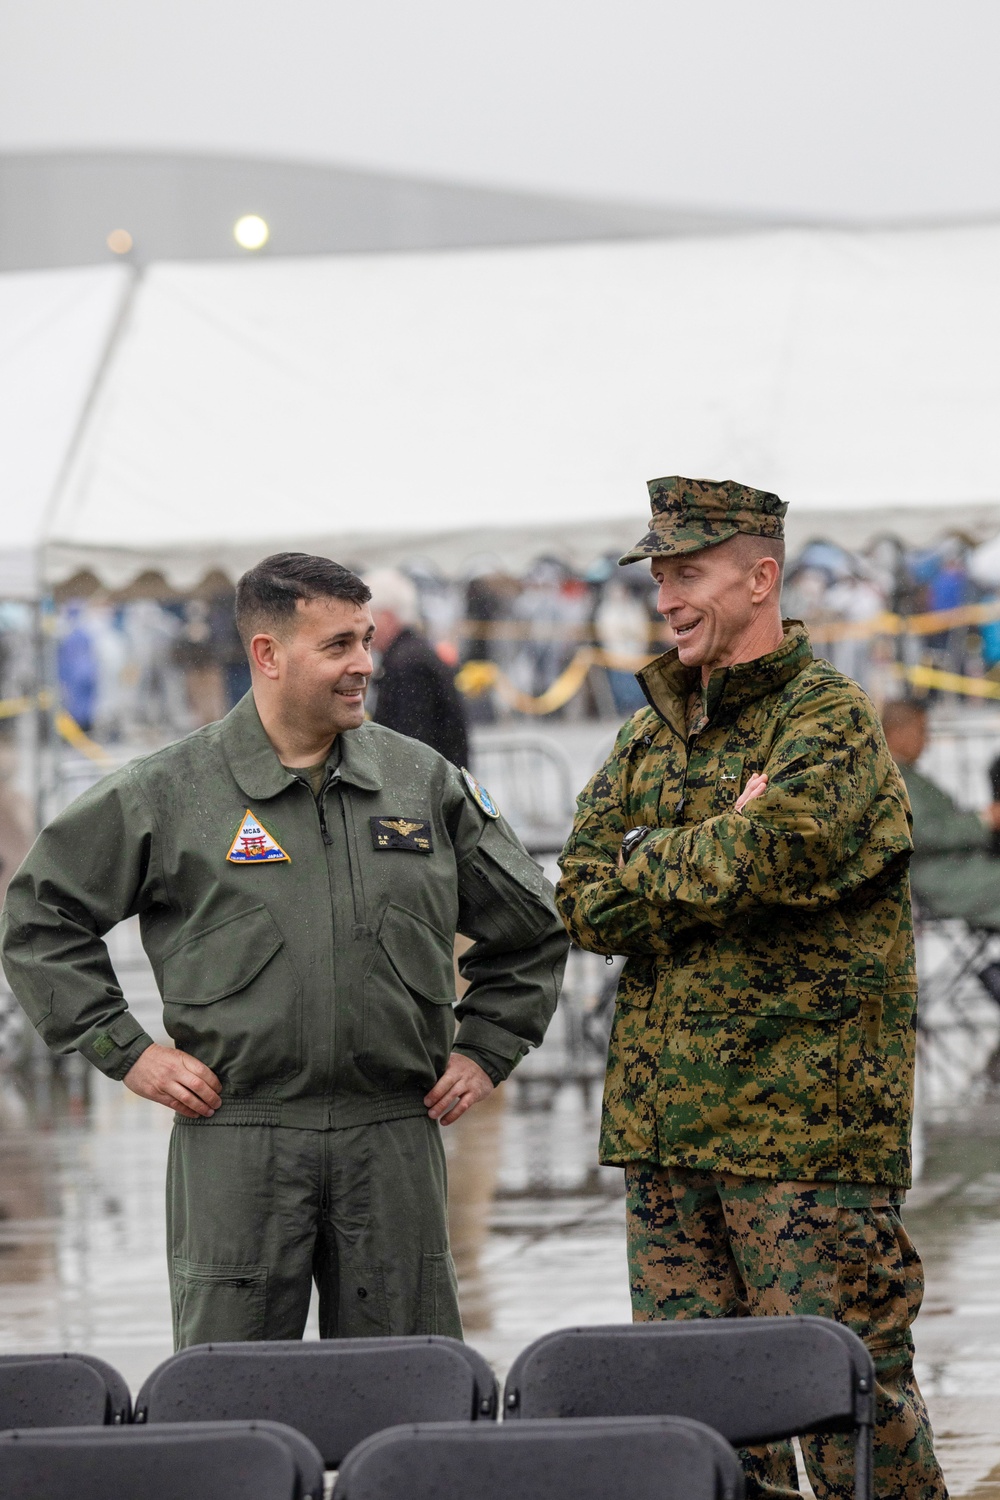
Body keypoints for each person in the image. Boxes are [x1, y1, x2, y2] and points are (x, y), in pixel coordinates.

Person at [1, 552, 568, 1348]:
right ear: (267, 655)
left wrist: (486, 1049)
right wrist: (129, 1053)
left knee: (407, 1398)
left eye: (367, 640)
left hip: (392, 1136)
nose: (365, 664)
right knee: (230, 1401)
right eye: (338, 645)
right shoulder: (172, 792)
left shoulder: (421, 784)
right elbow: (39, 916)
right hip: (239, 1140)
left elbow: (532, 928)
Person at [557, 476, 946, 1500]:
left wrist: (664, 854)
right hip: (666, 1134)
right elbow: (582, 899)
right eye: (658, 578)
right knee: (704, 1427)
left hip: (804, 1139)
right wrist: (701, 846)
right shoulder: (648, 736)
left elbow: (778, 850)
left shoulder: (830, 723)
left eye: (688, 574)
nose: (666, 599)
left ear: (760, 576)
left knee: (850, 1404)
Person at [882, 697, 1000, 928]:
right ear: (896, 732)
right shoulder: (893, 780)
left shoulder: (903, 774)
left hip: (953, 866)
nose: (926, 740)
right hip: (941, 877)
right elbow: (925, 832)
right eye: (921, 731)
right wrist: (985, 820)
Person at [365, 568, 470, 767]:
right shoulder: (412, 652)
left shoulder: (407, 662)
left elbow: (410, 739)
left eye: (369, 618)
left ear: (386, 617)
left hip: (428, 785)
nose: (363, 628)